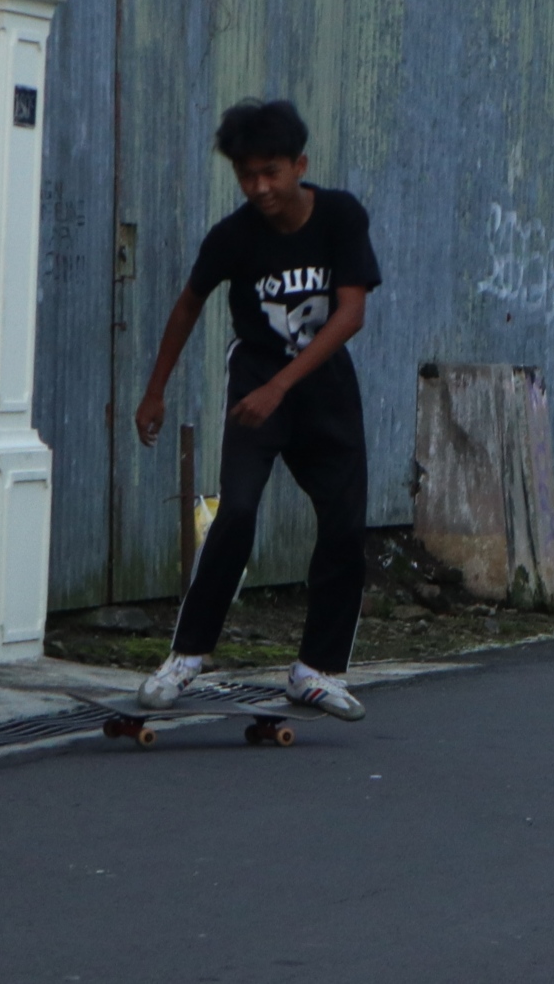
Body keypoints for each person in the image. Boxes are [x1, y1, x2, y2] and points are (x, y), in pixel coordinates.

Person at [131, 99, 381, 720]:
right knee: (237, 511)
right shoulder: (233, 237)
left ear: (300, 165)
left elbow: (351, 313)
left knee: (344, 525)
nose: (260, 187)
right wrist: (155, 390)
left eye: (271, 172)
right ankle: (187, 656)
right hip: (254, 389)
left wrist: (284, 386)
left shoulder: (341, 215)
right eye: (247, 175)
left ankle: (316, 671)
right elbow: (188, 305)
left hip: (323, 389)